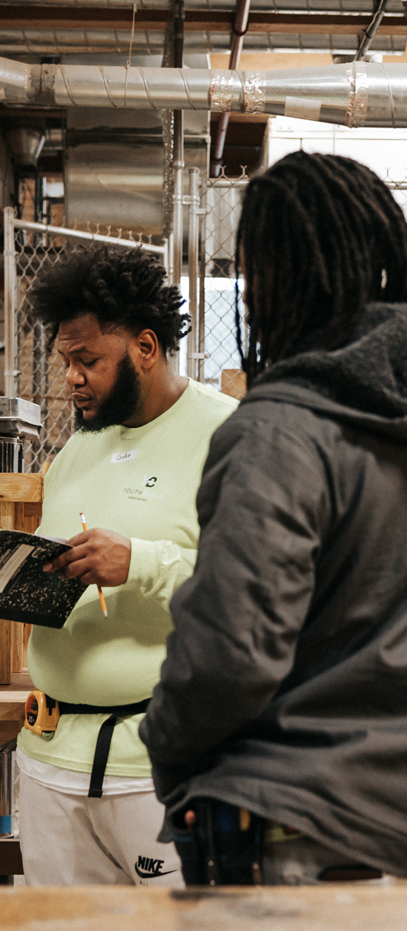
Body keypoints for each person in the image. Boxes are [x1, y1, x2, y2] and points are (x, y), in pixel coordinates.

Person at [140, 151, 407, 885]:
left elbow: (230, 652)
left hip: (296, 825)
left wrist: (165, 751)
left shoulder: (281, 430)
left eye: (253, 268)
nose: (248, 293)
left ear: (281, 276)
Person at [15, 244, 237, 885]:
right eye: (66, 362)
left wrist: (138, 562)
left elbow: (260, 592)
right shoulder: (76, 451)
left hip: (159, 768)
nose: (72, 379)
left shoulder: (230, 436)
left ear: (146, 346)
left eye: (88, 361)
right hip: (50, 751)